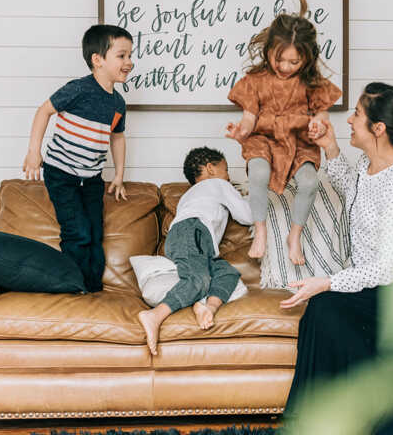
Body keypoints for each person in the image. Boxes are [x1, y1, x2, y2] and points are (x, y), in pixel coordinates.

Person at [280, 82, 393, 435]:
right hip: (387, 280)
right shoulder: (370, 163)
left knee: (333, 304)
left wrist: (327, 281)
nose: (349, 119)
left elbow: (388, 268)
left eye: (357, 114)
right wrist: (329, 145)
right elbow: (353, 188)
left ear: (378, 128)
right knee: (325, 311)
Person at [225, 0, 342, 266]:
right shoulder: (254, 80)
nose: (285, 66)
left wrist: (317, 125)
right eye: (279, 59)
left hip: (299, 141)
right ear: (268, 52)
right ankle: (261, 230)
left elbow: (322, 117)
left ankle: (295, 235)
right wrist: (240, 132)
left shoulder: (312, 83)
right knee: (258, 173)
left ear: (307, 58)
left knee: (310, 182)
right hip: (262, 138)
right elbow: (250, 119)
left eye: (294, 61)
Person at [22, 24, 133, 292]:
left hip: (92, 177)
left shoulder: (117, 103)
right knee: (78, 232)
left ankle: (91, 290)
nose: (129, 62)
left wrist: (118, 175)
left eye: (130, 55)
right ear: (98, 60)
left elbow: (117, 137)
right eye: (122, 56)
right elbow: (43, 111)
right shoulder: (79, 90)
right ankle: (71, 286)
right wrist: (34, 152)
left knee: (95, 234)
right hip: (62, 174)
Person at [138, 147, 253, 356]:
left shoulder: (191, 195)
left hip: (194, 242)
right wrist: (256, 194)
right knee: (198, 279)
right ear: (211, 169)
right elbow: (247, 215)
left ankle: (208, 308)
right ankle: (155, 315)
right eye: (226, 170)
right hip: (192, 232)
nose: (228, 176)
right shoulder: (217, 184)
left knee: (227, 273)